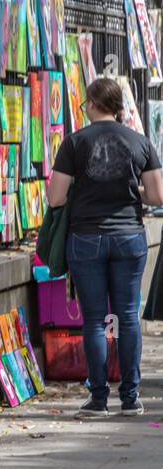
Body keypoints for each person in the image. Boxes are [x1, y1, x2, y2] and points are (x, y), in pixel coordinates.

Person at [48, 77, 163, 417]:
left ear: (93, 104)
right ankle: (130, 397)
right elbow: (156, 195)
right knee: (127, 318)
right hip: (129, 236)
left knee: (94, 320)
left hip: (86, 239)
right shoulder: (140, 142)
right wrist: (130, 192)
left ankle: (98, 398)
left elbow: (56, 197)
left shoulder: (74, 143)